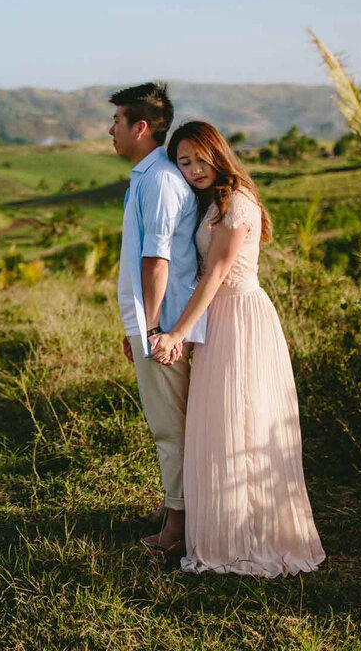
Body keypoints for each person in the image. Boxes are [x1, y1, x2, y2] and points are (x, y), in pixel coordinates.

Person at [150, 120, 325, 577]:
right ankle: (223, 527)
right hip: (218, 320)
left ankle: (252, 535)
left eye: (198, 158)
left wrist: (177, 332)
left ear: (217, 152)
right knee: (218, 423)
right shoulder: (210, 203)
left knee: (242, 418)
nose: (192, 169)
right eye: (183, 162)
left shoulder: (238, 202)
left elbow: (218, 272)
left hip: (241, 318)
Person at [108, 83, 205, 554]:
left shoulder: (161, 180)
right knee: (168, 425)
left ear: (140, 127)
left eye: (117, 122)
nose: (111, 131)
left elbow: (157, 260)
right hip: (152, 323)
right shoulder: (147, 176)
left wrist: (151, 330)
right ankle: (176, 510)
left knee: (171, 428)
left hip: (164, 328)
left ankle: (177, 531)